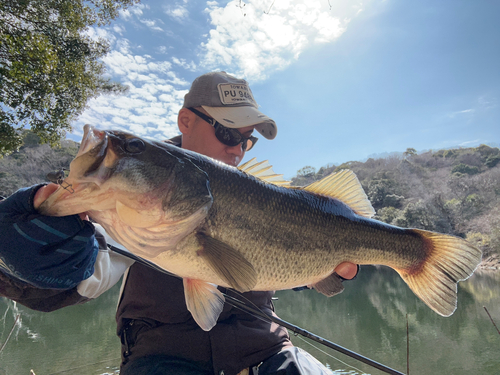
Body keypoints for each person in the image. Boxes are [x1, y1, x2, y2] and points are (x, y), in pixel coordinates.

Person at [0, 71, 358, 375]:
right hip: (164, 356)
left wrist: (312, 274)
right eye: (228, 133)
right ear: (186, 121)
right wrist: (25, 264)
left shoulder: (258, 192)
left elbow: (280, 256)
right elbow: (87, 274)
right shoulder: (140, 190)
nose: (237, 150)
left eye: (247, 141)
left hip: (266, 350)